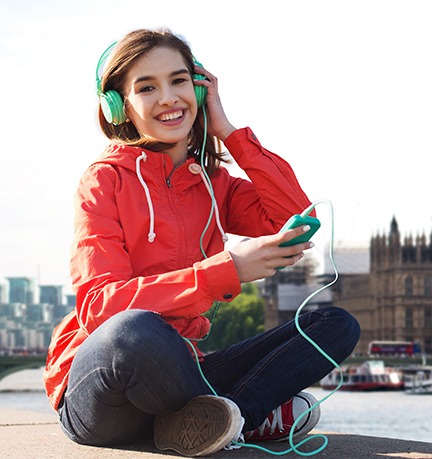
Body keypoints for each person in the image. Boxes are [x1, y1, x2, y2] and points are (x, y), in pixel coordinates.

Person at [43, 28, 360, 457]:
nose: (169, 97)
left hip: (186, 373)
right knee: (133, 330)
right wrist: (228, 271)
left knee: (335, 326)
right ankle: (247, 414)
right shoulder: (103, 180)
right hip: (106, 386)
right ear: (118, 105)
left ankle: (228, 417)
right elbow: (101, 307)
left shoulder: (215, 186)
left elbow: (296, 219)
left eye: (179, 81)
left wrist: (227, 130)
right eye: (147, 87)